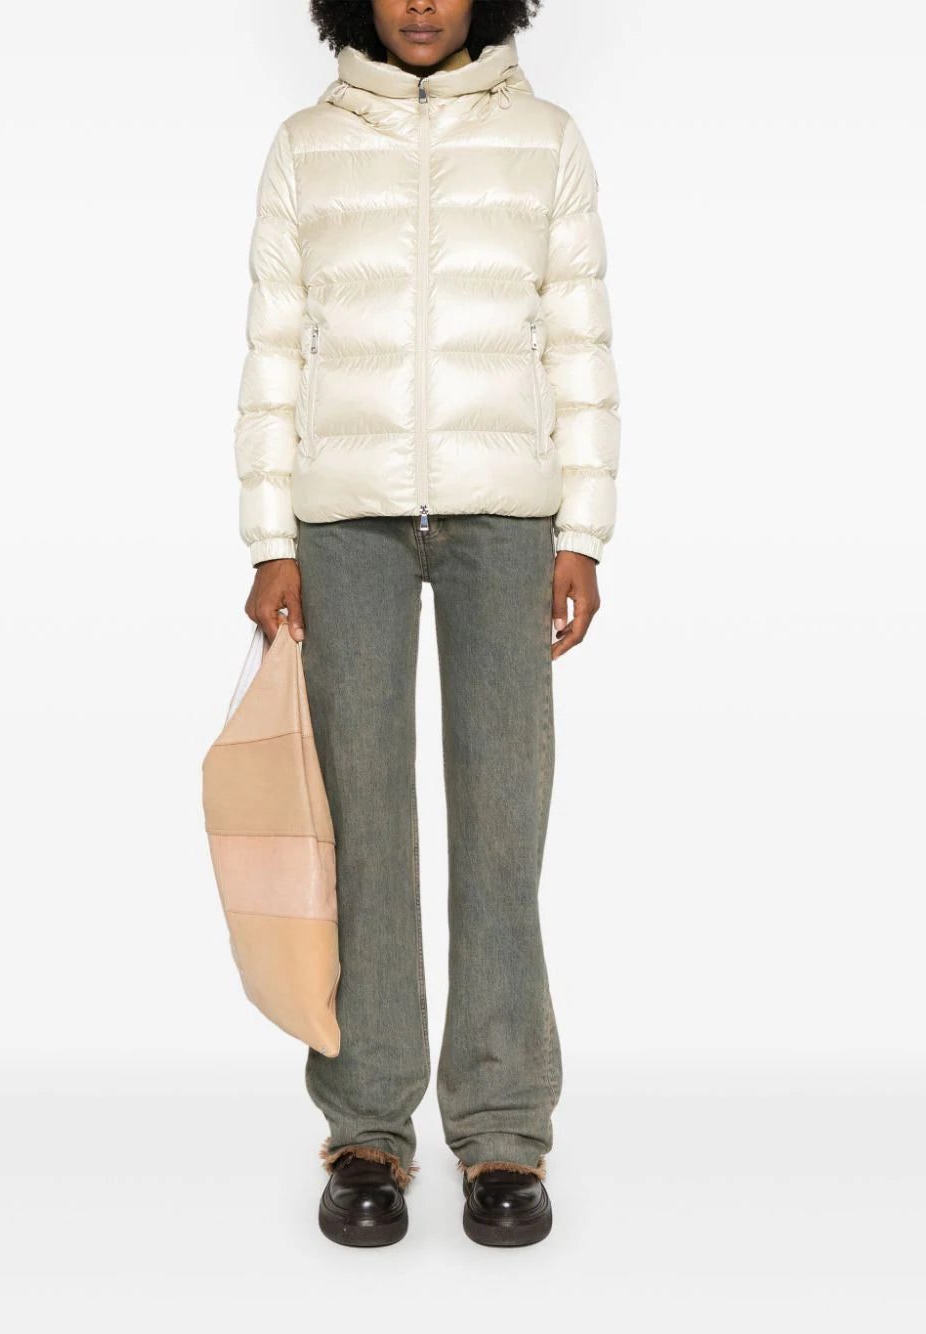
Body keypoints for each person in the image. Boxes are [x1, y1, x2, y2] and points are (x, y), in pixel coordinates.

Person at [235, 0, 620, 1247]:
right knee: (361, 825)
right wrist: (271, 540)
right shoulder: (305, 145)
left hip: (506, 518)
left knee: (503, 822)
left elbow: (578, 340)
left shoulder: (546, 139)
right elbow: (273, 350)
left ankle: (502, 1129)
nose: (418, 3)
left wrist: (582, 529)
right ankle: (366, 1126)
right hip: (341, 522)